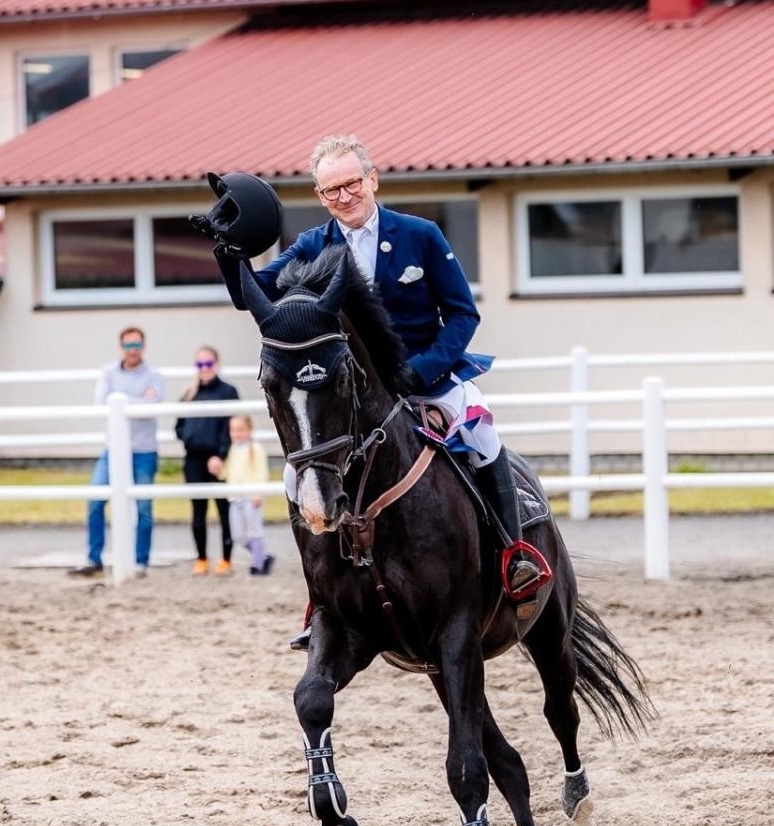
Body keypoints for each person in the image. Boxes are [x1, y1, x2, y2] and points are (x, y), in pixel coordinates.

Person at [207, 133, 547, 645]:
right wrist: (227, 250)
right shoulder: (312, 246)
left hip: (425, 378)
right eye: (329, 191)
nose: (343, 197)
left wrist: (422, 370)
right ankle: (321, 597)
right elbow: (247, 296)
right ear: (320, 197)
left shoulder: (420, 235)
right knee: (297, 480)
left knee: (483, 441)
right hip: (354, 394)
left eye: (350, 184)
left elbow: (462, 314)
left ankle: (514, 555)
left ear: (371, 180)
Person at [68, 326, 165, 578]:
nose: (132, 350)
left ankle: (140, 562)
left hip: (144, 450)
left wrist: (121, 399)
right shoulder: (108, 372)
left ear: (143, 347)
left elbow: (152, 406)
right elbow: (102, 403)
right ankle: (94, 558)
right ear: (121, 347)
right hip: (112, 450)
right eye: (128, 345)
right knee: (95, 500)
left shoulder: (154, 375)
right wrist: (136, 400)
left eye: (136, 345)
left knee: (143, 508)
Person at [175, 346, 240, 576]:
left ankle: (226, 559)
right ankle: (201, 558)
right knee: (198, 511)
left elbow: (230, 426)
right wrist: (190, 439)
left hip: (218, 459)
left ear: (217, 363)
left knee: (224, 510)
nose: (204, 369)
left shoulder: (228, 391)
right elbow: (179, 426)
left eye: (208, 364)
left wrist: (220, 455)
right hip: (193, 459)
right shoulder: (189, 393)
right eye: (200, 364)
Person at [209, 414, 275, 576]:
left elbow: (261, 472)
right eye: (233, 430)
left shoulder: (256, 449)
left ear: (249, 430)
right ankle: (263, 557)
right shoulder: (231, 449)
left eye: (240, 430)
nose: (236, 434)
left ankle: (257, 564)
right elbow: (227, 473)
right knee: (237, 536)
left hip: (251, 498)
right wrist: (218, 470)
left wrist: (258, 493)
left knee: (254, 532)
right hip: (235, 498)